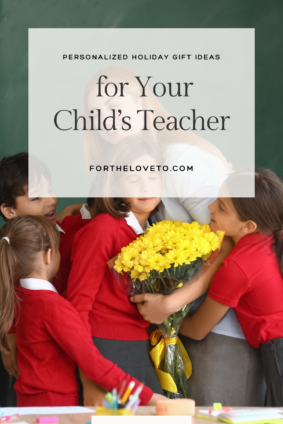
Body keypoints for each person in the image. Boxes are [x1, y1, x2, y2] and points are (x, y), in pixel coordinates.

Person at [80, 66, 258, 405]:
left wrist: (172, 303)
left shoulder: (180, 158)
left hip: (220, 326)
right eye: (96, 113)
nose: (107, 120)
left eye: (116, 106)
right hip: (174, 328)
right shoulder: (130, 165)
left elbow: (234, 240)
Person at [0, 215, 164, 406]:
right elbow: (94, 364)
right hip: (55, 407)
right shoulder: (54, 307)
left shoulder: (21, 298)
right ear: (48, 256)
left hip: (27, 401)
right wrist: (148, 397)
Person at [67, 137, 164, 405]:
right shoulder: (103, 230)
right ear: (116, 185)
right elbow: (77, 308)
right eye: (134, 179)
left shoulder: (156, 233)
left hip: (140, 344)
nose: (146, 186)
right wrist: (89, 378)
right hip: (105, 347)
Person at [178, 169, 283, 406]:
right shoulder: (271, 238)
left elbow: (196, 330)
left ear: (248, 226)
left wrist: (161, 320)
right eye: (217, 198)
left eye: (222, 208)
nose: (210, 207)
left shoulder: (238, 266)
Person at [0, 153, 91, 405]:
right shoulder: (6, 249)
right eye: (36, 197)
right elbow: (6, 292)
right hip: (35, 368)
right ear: (9, 210)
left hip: (76, 353)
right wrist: (8, 336)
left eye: (51, 190)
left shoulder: (75, 231)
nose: (51, 200)